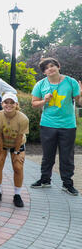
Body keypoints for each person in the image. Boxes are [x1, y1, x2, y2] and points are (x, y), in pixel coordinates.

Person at [31, 57, 81, 195]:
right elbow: (34, 103)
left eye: (52, 65)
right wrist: (44, 101)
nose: (50, 69)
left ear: (58, 66)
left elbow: (79, 100)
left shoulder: (71, 82)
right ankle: (45, 180)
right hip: (47, 124)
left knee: (67, 156)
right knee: (48, 155)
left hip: (68, 125)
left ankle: (67, 184)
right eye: (46, 68)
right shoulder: (40, 85)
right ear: (44, 72)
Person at [0, 93, 29, 207]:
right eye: (6, 102)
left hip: (17, 144)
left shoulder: (23, 118)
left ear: (16, 104)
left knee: (18, 166)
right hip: (1, 142)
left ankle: (17, 194)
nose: (9, 105)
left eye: (12, 102)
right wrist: (0, 151)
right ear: (2, 104)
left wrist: (17, 152)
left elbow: (19, 137)